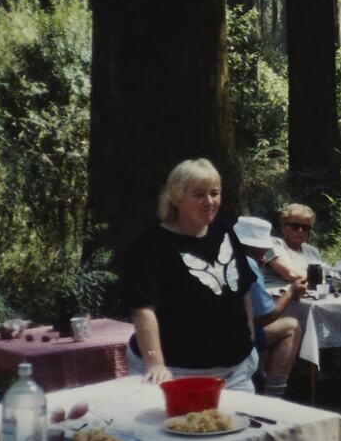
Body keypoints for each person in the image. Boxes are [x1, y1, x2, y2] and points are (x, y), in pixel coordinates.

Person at [117, 158, 259, 390]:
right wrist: (155, 364)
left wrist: (249, 336)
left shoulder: (224, 232)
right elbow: (142, 309)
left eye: (215, 193)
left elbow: (242, 289)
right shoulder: (149, 246)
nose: (209, 202)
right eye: (199, 194)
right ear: (175, 198)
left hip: (236, 373)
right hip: (176, 373)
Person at [234, 216, 305, 397]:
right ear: (258, 246)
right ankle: (274, 395)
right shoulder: (248, 263)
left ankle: (262, 377)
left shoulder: (226, 255)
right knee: (291, 326)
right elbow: (266, 317)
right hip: (239, 338)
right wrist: (291, 292)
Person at [269, 202, 321, 284]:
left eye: (305, 227)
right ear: (283, 227)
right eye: (295, 226)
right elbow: (290, 274)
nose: (300, 230)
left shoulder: (313, 252)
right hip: (276, 294)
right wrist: (319, 277)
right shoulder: (268, 245)